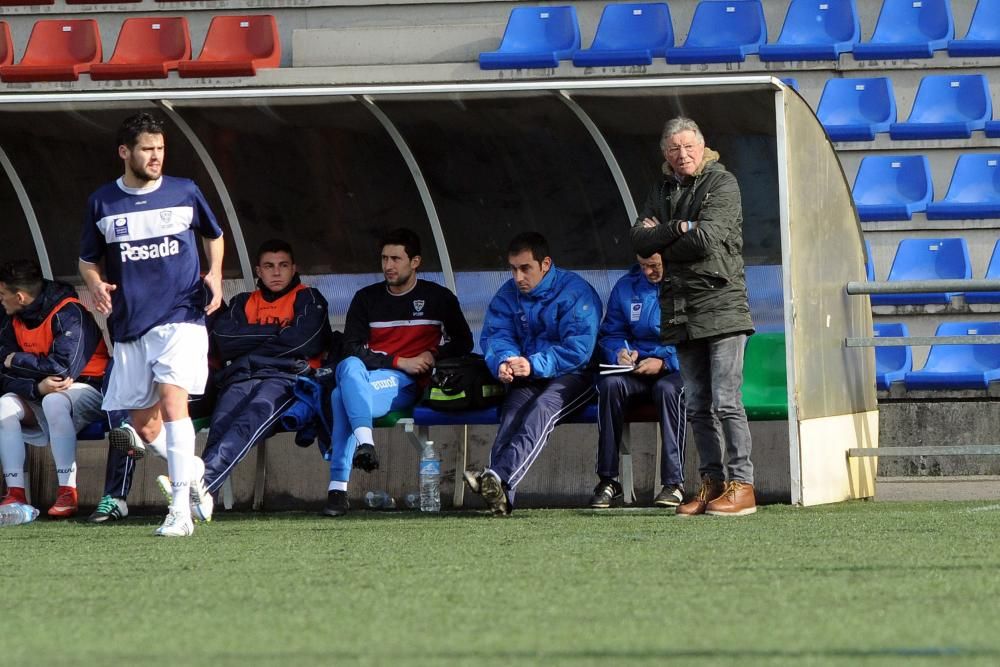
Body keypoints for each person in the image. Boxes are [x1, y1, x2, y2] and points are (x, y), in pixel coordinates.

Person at [79, 111, 225, 537]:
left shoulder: (185, 191)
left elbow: (213, 234)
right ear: (125, 152)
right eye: (147, 149)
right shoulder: (102, 202)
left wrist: (214, 273)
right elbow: (88, 259)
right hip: (129, 324)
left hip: (181, 315)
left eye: (160, 149)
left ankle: (180, 510)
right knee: (144, 426)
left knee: (174, 402)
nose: (156, 156)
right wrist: (95, 283)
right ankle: (193, 471)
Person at [630, 116, 757, 517]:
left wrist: (662, 240)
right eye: (674, 149)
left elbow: (705, 239)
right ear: (665, 155)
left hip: (722, 306)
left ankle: (743, 485)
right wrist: (680, 226)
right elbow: (638, 238)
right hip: (681, 309)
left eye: (689, 147)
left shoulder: (723, 183)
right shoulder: (661, 188)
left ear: (703, 147)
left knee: (726, 402)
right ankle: (712, 482)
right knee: (698, 405)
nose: (682, 155)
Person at [323, 228, 473, 517]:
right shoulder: (365, 299)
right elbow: (352, 348)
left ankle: (337, 489)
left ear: (415, 262)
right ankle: (365, 445)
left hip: (404, 385)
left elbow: (464, 341)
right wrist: (398, 360)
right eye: (384, 259)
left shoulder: (438, 297)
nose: (388, 266)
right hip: (373, 376)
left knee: (341, 395)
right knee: (348, 370)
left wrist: (433, 354)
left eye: (396, 258)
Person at [464, 232, 601, 516]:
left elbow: (579, 349)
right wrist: (504, 361)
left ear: (546, 264)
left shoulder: (576, 291)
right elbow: (496, 335)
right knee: (511, 414)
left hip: (576, 374)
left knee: (542, 409)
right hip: (529, 373)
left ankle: (498, 477)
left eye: (525, 268)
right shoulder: (507, 294)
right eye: (513, 268)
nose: (518, 277)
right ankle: (500, 497)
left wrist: (533, 364)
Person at [193, 238, 331, 497]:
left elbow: (304, 342)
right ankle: (202, 496)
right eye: (269, 266)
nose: (276, 272)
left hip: (286, 379)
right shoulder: (243, 301)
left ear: (293, 268)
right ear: (258, 271)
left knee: (247, 422)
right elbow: (225, 341)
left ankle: (201, 485)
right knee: (221, 425)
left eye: (283, 265)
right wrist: (279, 331)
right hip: (242, 376)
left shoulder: (309, 297)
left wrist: (251, 343)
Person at [0, 260, 110, 518]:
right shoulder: (11, 317)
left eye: (3, 295)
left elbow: (61, 371)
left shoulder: (70, 313)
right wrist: (36, 387)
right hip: (40, 392)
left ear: (20, 297)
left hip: (89, 391)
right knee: (4, 405)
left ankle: (67, 490)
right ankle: (15, 492)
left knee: (55, 401)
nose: (0, 300)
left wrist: (16, 360)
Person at [590, 252, 687, 509]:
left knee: (669, 390)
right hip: (638, 369)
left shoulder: (688, 283)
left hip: (677, 368)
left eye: (654, 266)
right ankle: (608, 480)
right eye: (642, 266)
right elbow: (610, 333)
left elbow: (697, 339)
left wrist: (665, 361)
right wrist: (620, 352)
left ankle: (674, 483)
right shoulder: (626, 286)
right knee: (610, 385)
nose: (647, 272)